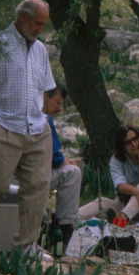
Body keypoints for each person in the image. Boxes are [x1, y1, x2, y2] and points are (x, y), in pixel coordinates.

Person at [0, 0, 57, 261]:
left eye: (43, 25)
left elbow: (45, 87)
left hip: (36, 128)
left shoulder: (41, 50)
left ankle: (27, 246)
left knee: (38, 187)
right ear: (22, 17)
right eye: (38, 23)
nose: (40, 29)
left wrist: (45, 118)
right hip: (4, 126)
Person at [78, 124, 139, 223]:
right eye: (128, 142)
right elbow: (120, 185)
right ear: (122, 146)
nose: (134, 144)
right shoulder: (116, 160)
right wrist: (137, 192)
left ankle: (122, 219)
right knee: (102, 202)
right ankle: (71, 219)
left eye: (135, 139)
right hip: (124, 204)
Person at [42, 82, 81, 246]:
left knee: (68, 168)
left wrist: (63, 161)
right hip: (28, 178)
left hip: (15, 176)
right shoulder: (44, 118)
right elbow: (56, 159)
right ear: (44, 97)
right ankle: (64, 229)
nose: (60, 109)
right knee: (72, 172)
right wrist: (64, 162)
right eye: (58, 103)